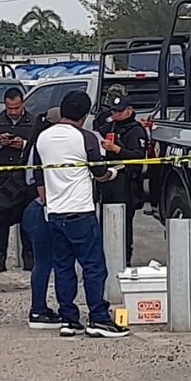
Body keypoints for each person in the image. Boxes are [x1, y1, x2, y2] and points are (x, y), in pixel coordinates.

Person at [33, 90, 130, 339]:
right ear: (85, 115)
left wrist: (48, 201)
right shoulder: (85, 138)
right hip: (81, 211)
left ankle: (69, 319)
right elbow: (99, 173)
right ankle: (98, 317)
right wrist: (115, 173)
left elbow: (39, 176)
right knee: (94, 267)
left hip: (55, 213)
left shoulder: (42, 138)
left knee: (63, 268)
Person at [19, 108, 68, 329]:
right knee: (47, 262)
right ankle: (38, 310)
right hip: (43, 208)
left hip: (34, 208)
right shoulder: (46, 145)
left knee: (43, 262)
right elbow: (37, 179)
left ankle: (40, 308)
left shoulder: (36, 141)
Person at [0, 86, 36, 274]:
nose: (13, 112)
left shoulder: (34, 122)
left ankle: (29, 258)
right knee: (1, 219)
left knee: (28, 219)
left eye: (17, 107)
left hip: (25, 177)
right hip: (2, 178)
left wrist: (24, 145)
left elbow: (39, 147)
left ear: (23, 104)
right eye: (10, 108)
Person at [96, 93, 149, 266]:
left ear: (129, 110)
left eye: (119, 111)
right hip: (109, 181)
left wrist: (117, 149)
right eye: (114, 111)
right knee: (105, 223)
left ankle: (124, 260)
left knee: (124, 226)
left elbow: (138, 157)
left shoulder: (136, 130)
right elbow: (98, 128)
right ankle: (107, 258)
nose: (116, 115)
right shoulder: (111, 127)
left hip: (127, 183)